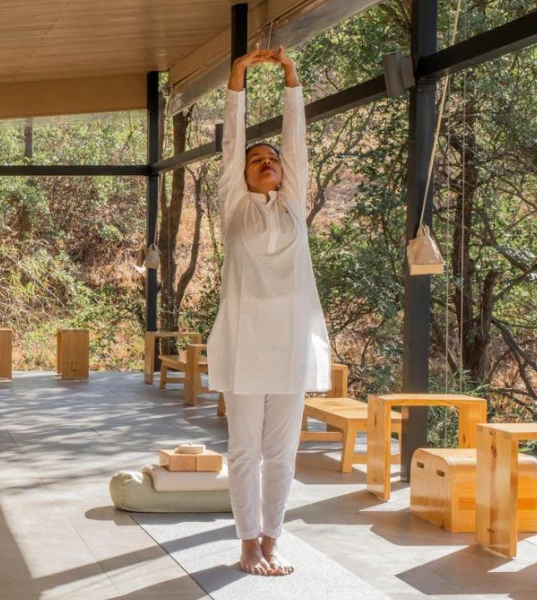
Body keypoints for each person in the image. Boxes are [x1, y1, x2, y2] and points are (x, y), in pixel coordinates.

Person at [206, 46, 331, 577]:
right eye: (257, 160)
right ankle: (247, 544)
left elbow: (297, 142)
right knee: (244, 452)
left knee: (282, 454)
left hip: (292, 348)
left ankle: (273, 537)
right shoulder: (235, 205)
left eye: (272, 159)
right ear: (243, 174)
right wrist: (237, 76)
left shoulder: (294, 204)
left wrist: (292, 76)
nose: (268, 162)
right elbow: (234, 140)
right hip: (245, 345)